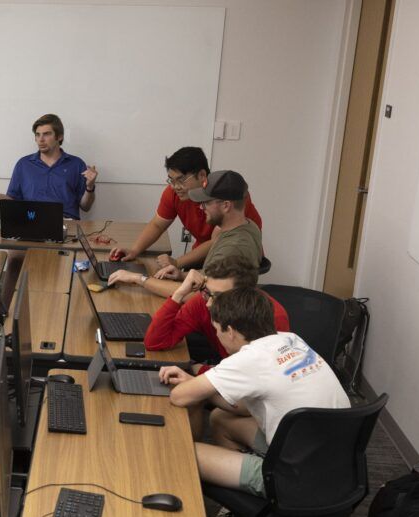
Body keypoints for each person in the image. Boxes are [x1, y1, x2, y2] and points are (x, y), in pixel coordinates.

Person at [162, 288, 350, 497]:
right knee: (220, 418)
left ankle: (257, 485)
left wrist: (194, 385)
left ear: (231, 331)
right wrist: (200, 384)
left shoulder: (249, 359)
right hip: (336, 463)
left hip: (295, 478)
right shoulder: (290, 340)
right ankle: (242, 487)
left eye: (217, 329)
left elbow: (179, 396)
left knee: (183, 453)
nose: (217, 335)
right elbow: (244, 408)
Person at [108, 169, 263, 298]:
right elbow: (211, 279)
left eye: (206, 203)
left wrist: (138, 278)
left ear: (226, 206)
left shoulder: (233, 250)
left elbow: (193, 297)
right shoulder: (247, 226)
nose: (201, 208)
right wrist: (182, 275)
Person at [109, 147, 263, 270]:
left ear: (202, 175)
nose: (176, 187)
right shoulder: (173, 193)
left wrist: (177, 263)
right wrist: (134, 251)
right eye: (171, 180)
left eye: (181, 180)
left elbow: (218, 241)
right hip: (202, 254)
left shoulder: (227, 194)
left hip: (231, 257)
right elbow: (157, 224)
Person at [141, 255, 289, 369]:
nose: (208, 303)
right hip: (223, 372)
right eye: (207, 291)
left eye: (218, 296)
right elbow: (155, 342)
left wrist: (198, 370)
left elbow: (254, 378)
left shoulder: (271, 318)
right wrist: (179, 294)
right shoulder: (204, 299)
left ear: (243, 296)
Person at [0, 113, 98, 219]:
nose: (41, 139)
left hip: (66, 224)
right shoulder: (23, 164)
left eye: (46, 134)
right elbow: (12, 202)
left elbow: (85, 207)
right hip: (31, 222)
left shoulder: (76, 164)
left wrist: (90, 187)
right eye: (37, 135)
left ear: (60, 137)